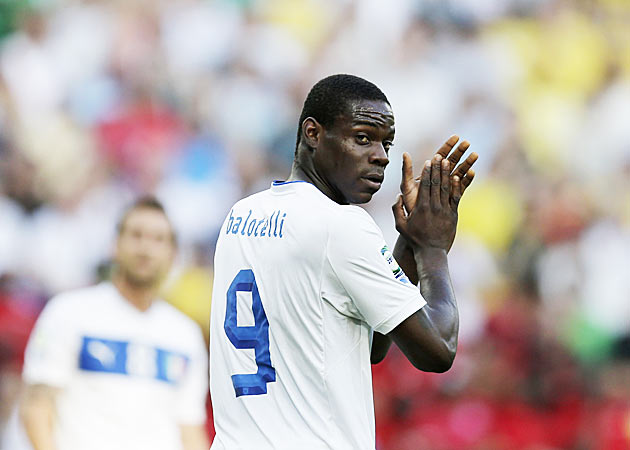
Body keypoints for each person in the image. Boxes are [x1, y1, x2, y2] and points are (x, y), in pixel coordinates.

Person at [209, 74, 478, 449]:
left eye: (386, 143)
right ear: (313, 133)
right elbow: (438, 349)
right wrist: (432, 249)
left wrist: (408, 244)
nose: (382, 156)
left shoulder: (240, 216)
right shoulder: (341, 225)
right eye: (363, 138)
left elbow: (369, 344)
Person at [19, 197, 210, 450]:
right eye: (136, 235)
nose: (146, 248)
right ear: (115, 245)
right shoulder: (68, 312)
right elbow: (36, 407)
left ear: (173, 255)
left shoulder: (185, 335)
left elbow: (190, 428)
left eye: (158, 239)